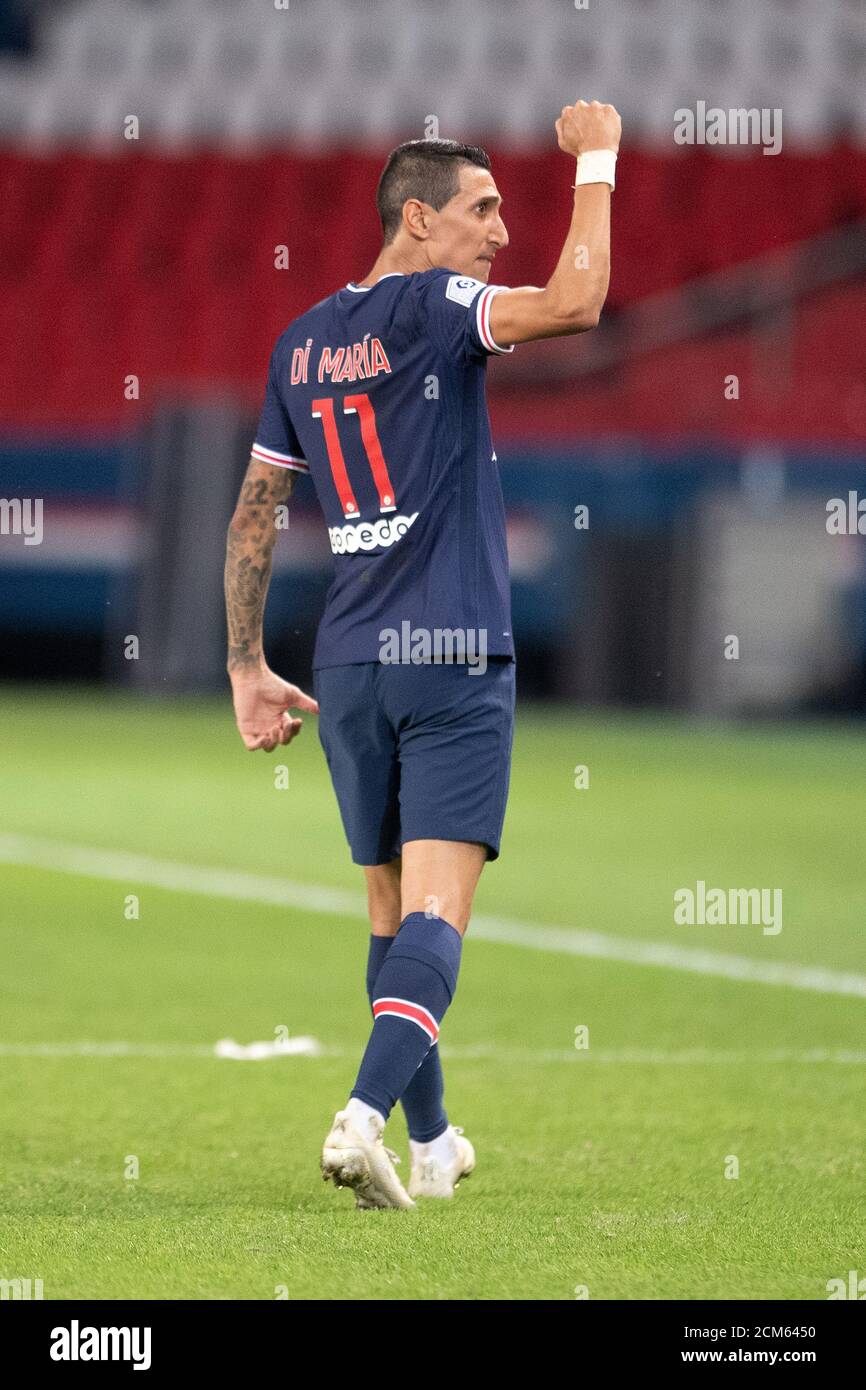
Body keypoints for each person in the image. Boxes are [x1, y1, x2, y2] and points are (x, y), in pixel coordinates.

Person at [224, 100, 621, 1209]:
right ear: (416, 219)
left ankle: (434, 1139)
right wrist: (596, 159)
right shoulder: (441, 307)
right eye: (482, 209)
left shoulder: (300, 340)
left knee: (389, 914)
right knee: (441, 915)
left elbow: (257, 510)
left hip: (348, 660)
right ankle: (360, 1120)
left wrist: (245, 665)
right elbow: (581, 300)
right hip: (450, 650)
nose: (499, 231)